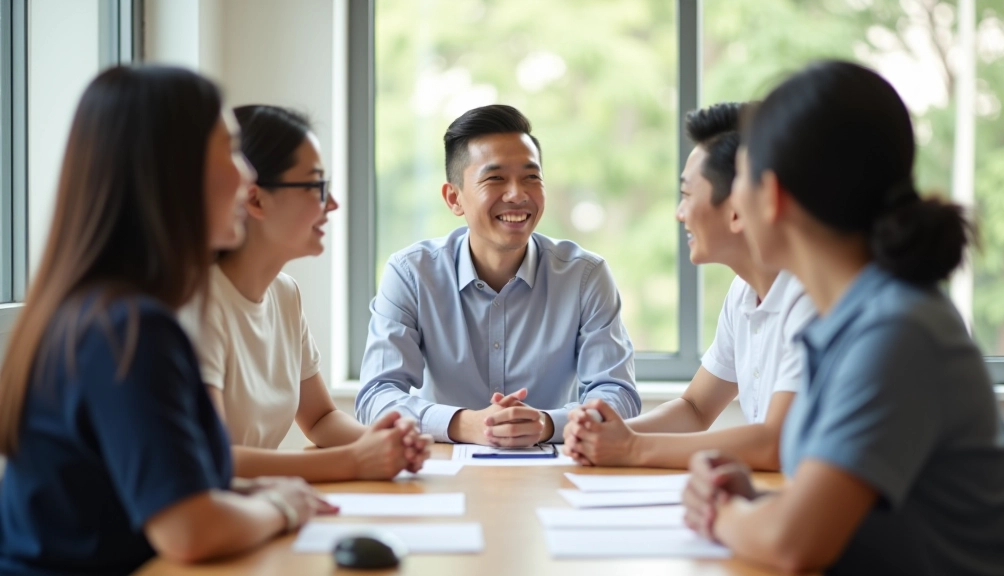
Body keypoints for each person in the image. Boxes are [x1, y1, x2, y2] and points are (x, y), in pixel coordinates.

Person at [683, 60, 1004, 575]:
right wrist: (755, 499)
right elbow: (838, 513)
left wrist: (720, 514)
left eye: (742, 183)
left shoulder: (896, 331)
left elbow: (795, 545)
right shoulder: (849, 319)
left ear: (772, 197)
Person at [0, 67, 336, 574]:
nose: (246, 177)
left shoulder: (106, 309)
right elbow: (188, 529)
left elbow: (152, 482)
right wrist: (283, 508)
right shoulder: (129, 328)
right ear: (170, 173)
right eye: (229, 152)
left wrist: (253, 489)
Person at [356, 104, 641, 446]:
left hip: (554, 471)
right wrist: (464, 424)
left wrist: (547, 424)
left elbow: (618, 394)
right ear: (454, 198)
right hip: (444, 472)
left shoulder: (585, 275)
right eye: (495, 178)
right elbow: (376, 395)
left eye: (531, 177)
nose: (518, 195)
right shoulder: (411, 273)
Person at [178, 105, 430, 482]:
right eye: (316, 186)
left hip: (259, 508)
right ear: (256, 199)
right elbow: (212, 459)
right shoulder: (197, 303)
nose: (332, 204)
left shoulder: (283, 293)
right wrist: (357, 460)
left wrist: (385, 440)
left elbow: (320, 418)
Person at [562, 102, 814, 470]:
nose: (679, 214)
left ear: (738, 206)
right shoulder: (743, 292)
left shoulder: (810, 297)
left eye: (687, 195)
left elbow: (776, 443)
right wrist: (612, 435)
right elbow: (695, 408)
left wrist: (630, 448)